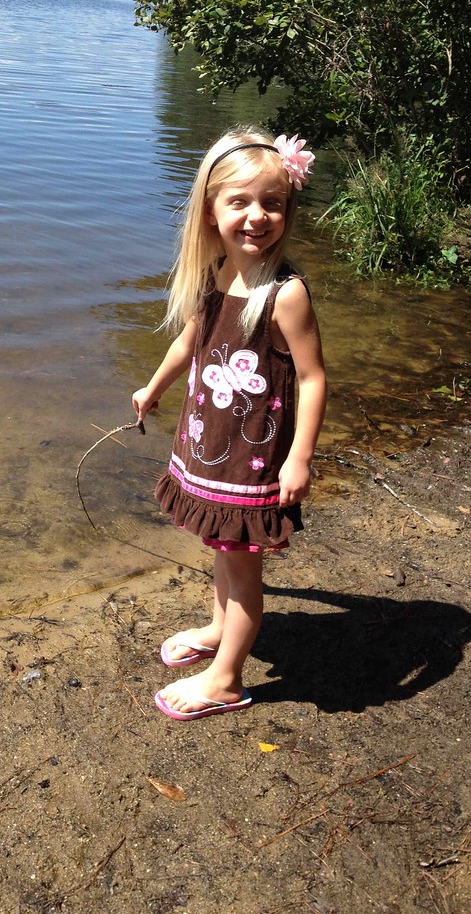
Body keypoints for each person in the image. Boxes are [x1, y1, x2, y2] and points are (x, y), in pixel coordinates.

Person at [132, 127, 327, 721]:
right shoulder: (216, 273)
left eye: (272, 202)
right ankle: (219, 629)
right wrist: (154, 387)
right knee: (223, 545)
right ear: (209, 211)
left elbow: (313, 378)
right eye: (239, 201)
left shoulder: (284, 294)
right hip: (210, 444)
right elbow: (189, 342)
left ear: (288, 211)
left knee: (243, 565)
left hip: (254, 459)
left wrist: (299, 458)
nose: (257, 216)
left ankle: (225, 680)